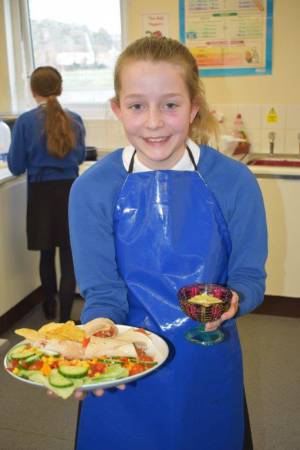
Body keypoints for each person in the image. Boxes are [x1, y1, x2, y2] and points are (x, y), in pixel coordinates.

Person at [68, 37, 267, 450]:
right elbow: (103, 292)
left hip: (205, 364)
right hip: (123, 364)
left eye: (171, 104)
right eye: (137, 105)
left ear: (194, 107)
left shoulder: (234, 182)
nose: (154, 122)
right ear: (117, 109)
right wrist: (94, 341)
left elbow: (248, 276)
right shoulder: (92, 189)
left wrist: (235, 299)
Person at [8, 66, 86, 323]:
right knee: (69, 257)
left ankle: (48, 309)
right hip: (69, 193)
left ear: (33, 91)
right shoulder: (74, 119)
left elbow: (16, 166)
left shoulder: (25, 122)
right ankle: (66, 318)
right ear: (60, 88)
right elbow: (80, 157)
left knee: (46, 254)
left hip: (41, 195)